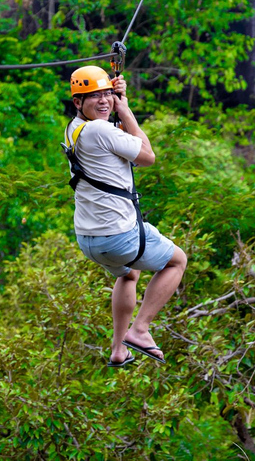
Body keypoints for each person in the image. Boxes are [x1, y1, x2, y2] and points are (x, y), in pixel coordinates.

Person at [64, 65, 187, 367]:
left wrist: (115, 100)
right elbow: (148, 156)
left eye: (107, 94)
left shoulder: (75, 128)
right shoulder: (100, 129)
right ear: (77, 102)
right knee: (177, 261)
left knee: (129, 273)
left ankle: (118, 349)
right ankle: (140, 330)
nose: (104, 101)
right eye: (94, 96)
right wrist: (127, 110)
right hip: (119, 236)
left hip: (89, 240)